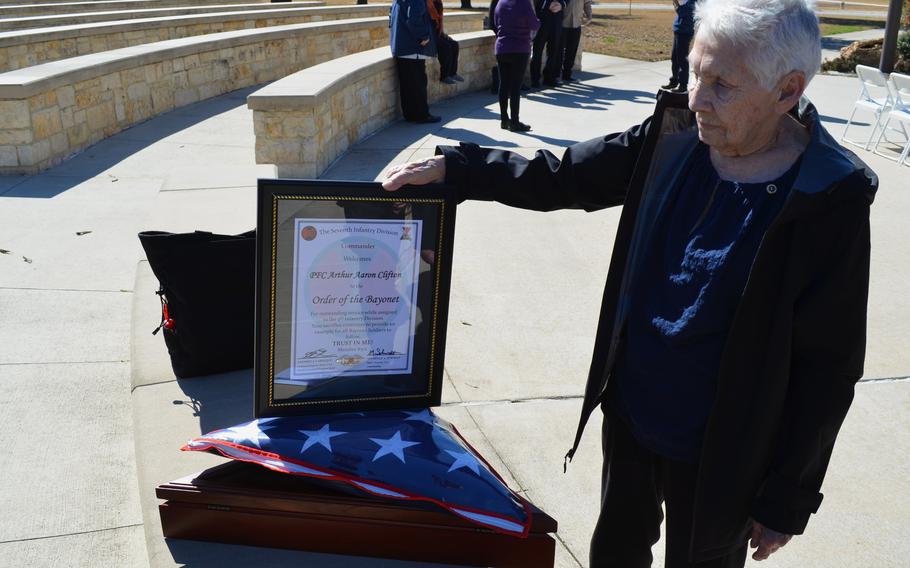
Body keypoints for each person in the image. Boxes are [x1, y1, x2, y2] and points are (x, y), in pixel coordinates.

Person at [382, 1, 876, 566]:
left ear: (788, 90)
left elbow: (828, 367)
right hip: (633, 414)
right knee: (615, 552)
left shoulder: (827, 199)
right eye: (695, 71)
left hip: (724, 453)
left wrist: (787, 497)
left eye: (722, 84)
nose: (696, 97)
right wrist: (460, 168)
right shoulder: (673, 136)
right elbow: (566, 174)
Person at [490, 0, 540, 131]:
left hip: (501, 48)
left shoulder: (500, 3)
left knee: (504, 84)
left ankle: (504, 120)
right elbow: (534, 24)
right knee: (515, 87)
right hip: (520, 48)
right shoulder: (524, 3)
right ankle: (515, 122)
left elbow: (495, 23)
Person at [390, 0, 441, 123]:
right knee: (418, 83)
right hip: (412, 47)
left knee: (407, 85)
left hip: (400, 46)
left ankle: (410, 115)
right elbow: (414, 19)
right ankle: (421, 115)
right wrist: (423, 37)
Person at [663, 0, 699, 92]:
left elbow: (681, 12)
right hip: (679, 31)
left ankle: (683, 85)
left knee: (682, 59)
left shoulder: (694, 2)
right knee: (674, 58)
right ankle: (674, 80)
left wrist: (675, 2)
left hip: (684, 32)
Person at [529, 0, 566, 87]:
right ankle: (535, 79)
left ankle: (549, 77)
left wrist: (561, 4)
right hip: (542, 19)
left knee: (553, 51)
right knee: (537, 51)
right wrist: (548, 4)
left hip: (557, 20)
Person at [428, 0, 464, 84]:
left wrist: (442, 33)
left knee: (454, 44)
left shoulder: (438, 2)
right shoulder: (426, 3)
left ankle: (452, 73)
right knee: (445, 47)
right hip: (429, 34)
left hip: (437, 32)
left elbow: (439, 19)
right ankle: (444, 76)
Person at [557, 0, 592, 82]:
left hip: (576, 23)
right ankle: (556, 75)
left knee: (572, 51)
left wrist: (589, 15)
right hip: (562, 23)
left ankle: (567, 75)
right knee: (559, 51)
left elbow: (587, 3)